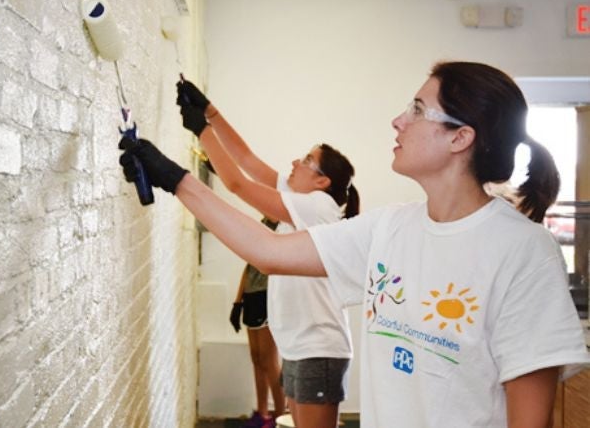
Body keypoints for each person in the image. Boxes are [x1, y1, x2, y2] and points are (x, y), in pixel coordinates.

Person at [119, 61, 590, 428]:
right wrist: (175, 178)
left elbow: (530, 415)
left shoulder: (524, 251)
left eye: (418, 110)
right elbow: (267, 250)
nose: (397, 121)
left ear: (461, 138)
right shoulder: (389, 229)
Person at [175, 79, 361, 428]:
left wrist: (202, 131)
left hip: (318, 350)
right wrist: (209, 110)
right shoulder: (302, 203)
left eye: (306, 160)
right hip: (300, 346)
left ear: (322, 181)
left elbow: (237, 184)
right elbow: (245, 160)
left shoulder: (319, 207)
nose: (295, 161)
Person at [230, 217, 285, 428]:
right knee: (257, 358)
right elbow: (249, 265)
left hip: (267, 296)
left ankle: (281, 418)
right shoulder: (263, 222)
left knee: (269, 360)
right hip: (251, 296)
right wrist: (238, 302)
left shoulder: (284, 226)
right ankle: (262, 415)